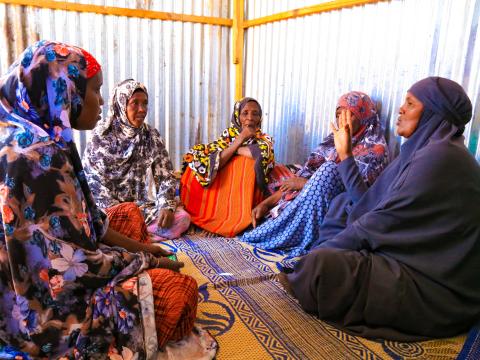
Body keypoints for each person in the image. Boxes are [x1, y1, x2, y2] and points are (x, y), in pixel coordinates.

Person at [0, 41, 198, 358]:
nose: (101, 101)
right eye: (95, 90)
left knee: (131, 215)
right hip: (44, 307)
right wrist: (148, 261)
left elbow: (93, 218)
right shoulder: (39, 156)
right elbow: (74, 264)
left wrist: (160, 215)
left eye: (145, 104)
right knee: (178, 292)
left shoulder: (46, 138)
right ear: (65, 90)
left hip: (91, 233)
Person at [279, 77, 480, 341]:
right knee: (341, 205)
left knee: (322, 266)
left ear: (434, 112)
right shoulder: (424, 152)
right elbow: (367, 207)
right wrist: (346, 155)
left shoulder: (439, 158)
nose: (400, 109)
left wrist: (322, 251)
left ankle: (313, 268)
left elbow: (378, 222)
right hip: (407, 254)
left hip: (433, 286)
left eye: (410, 103)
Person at [241, 92, 388, 256]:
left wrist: (306, 183)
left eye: (349, 115)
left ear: (364, 117)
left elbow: (361, 198)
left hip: (339, 214)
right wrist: (266, 203)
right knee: (280, 173)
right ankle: (269, 227)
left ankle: (288, 236)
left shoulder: (375, 151)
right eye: (339, 115)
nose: (342, 121)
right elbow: (299, 179)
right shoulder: (332, 142)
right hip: (306, 199)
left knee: (328, 171)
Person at [83, 79, 190, 241]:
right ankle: (137, 235)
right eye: (134, 103)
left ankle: (131, 236)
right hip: (110, 210)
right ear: (120, 104)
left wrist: (166, 205)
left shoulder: (151, 135)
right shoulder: (100, 137)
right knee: (96, 223)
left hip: (140, 209)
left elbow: (166, 176)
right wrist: (124, 212)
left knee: (182, 218)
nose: (142, 110)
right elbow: (95, 186)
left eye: (145, 103)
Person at [180, 97, 274, 237]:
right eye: (245, 113)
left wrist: (232, 150)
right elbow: (216, 161)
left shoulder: (265, 138)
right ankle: (202, 216)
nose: (250, 118)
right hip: (222, 182)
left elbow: (260, 156)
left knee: (245, 165)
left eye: (255, 113)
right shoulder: (228, 135)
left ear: (260, 118)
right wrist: (240, 140)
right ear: (237, 116)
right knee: (198, 160)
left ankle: (229, 222)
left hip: (243, 189)